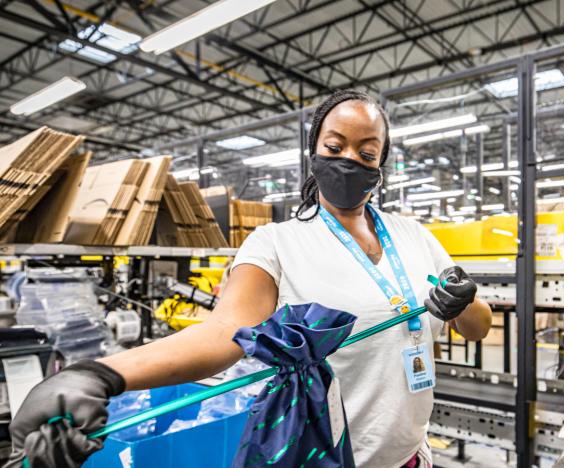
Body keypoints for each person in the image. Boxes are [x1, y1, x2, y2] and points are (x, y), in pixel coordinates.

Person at [6, 89, 492, 468]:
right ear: (314, 152)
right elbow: (224, 333)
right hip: (326, 456)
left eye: (367, 153)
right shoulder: (276, 242)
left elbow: (477, 326)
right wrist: (102, 374)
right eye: (335, 146)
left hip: (410, 455)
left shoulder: (413, 236)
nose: (350, 161)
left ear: (381, 164)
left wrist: (464, 302)